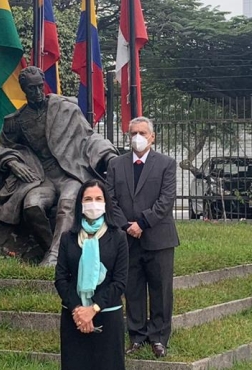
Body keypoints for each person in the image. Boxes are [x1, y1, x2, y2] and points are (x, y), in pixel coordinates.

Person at [0, 66, 118, 265]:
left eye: (40, 87)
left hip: (70, 173)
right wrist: (13, 162)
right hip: (41, 178)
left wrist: (107, 155)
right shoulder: (16, 121)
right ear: (24, 89)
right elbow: (5, 148)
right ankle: (54, 250)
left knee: (67, 203)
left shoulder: (65, 108)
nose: (38, 92)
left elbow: (88, 137)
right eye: (32, 89)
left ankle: (55, 256)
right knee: (31, 205)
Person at [106, 116, 179, 359]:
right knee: (133, 288)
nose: (137, 137)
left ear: (152, 137)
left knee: (160, 290)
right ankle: (136, 336)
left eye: (142, 133)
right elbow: (110, 199)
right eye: (133, 133)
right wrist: (126, 225)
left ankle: (159, 337)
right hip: (127, 238)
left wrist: (143, 223)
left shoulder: (167, 164)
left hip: (158, 238)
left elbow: (166, 200)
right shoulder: (116, 164)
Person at [55, 180, 128, 370]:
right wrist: (78, 309)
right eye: (88, 199)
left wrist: (93, 308)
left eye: (98, 198)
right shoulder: (68, 238)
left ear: (105, 204)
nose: (93, 203)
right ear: (80, 204)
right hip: (74, 318)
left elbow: (120, 282)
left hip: (107, 317)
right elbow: (61, 279)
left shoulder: (118, 237)